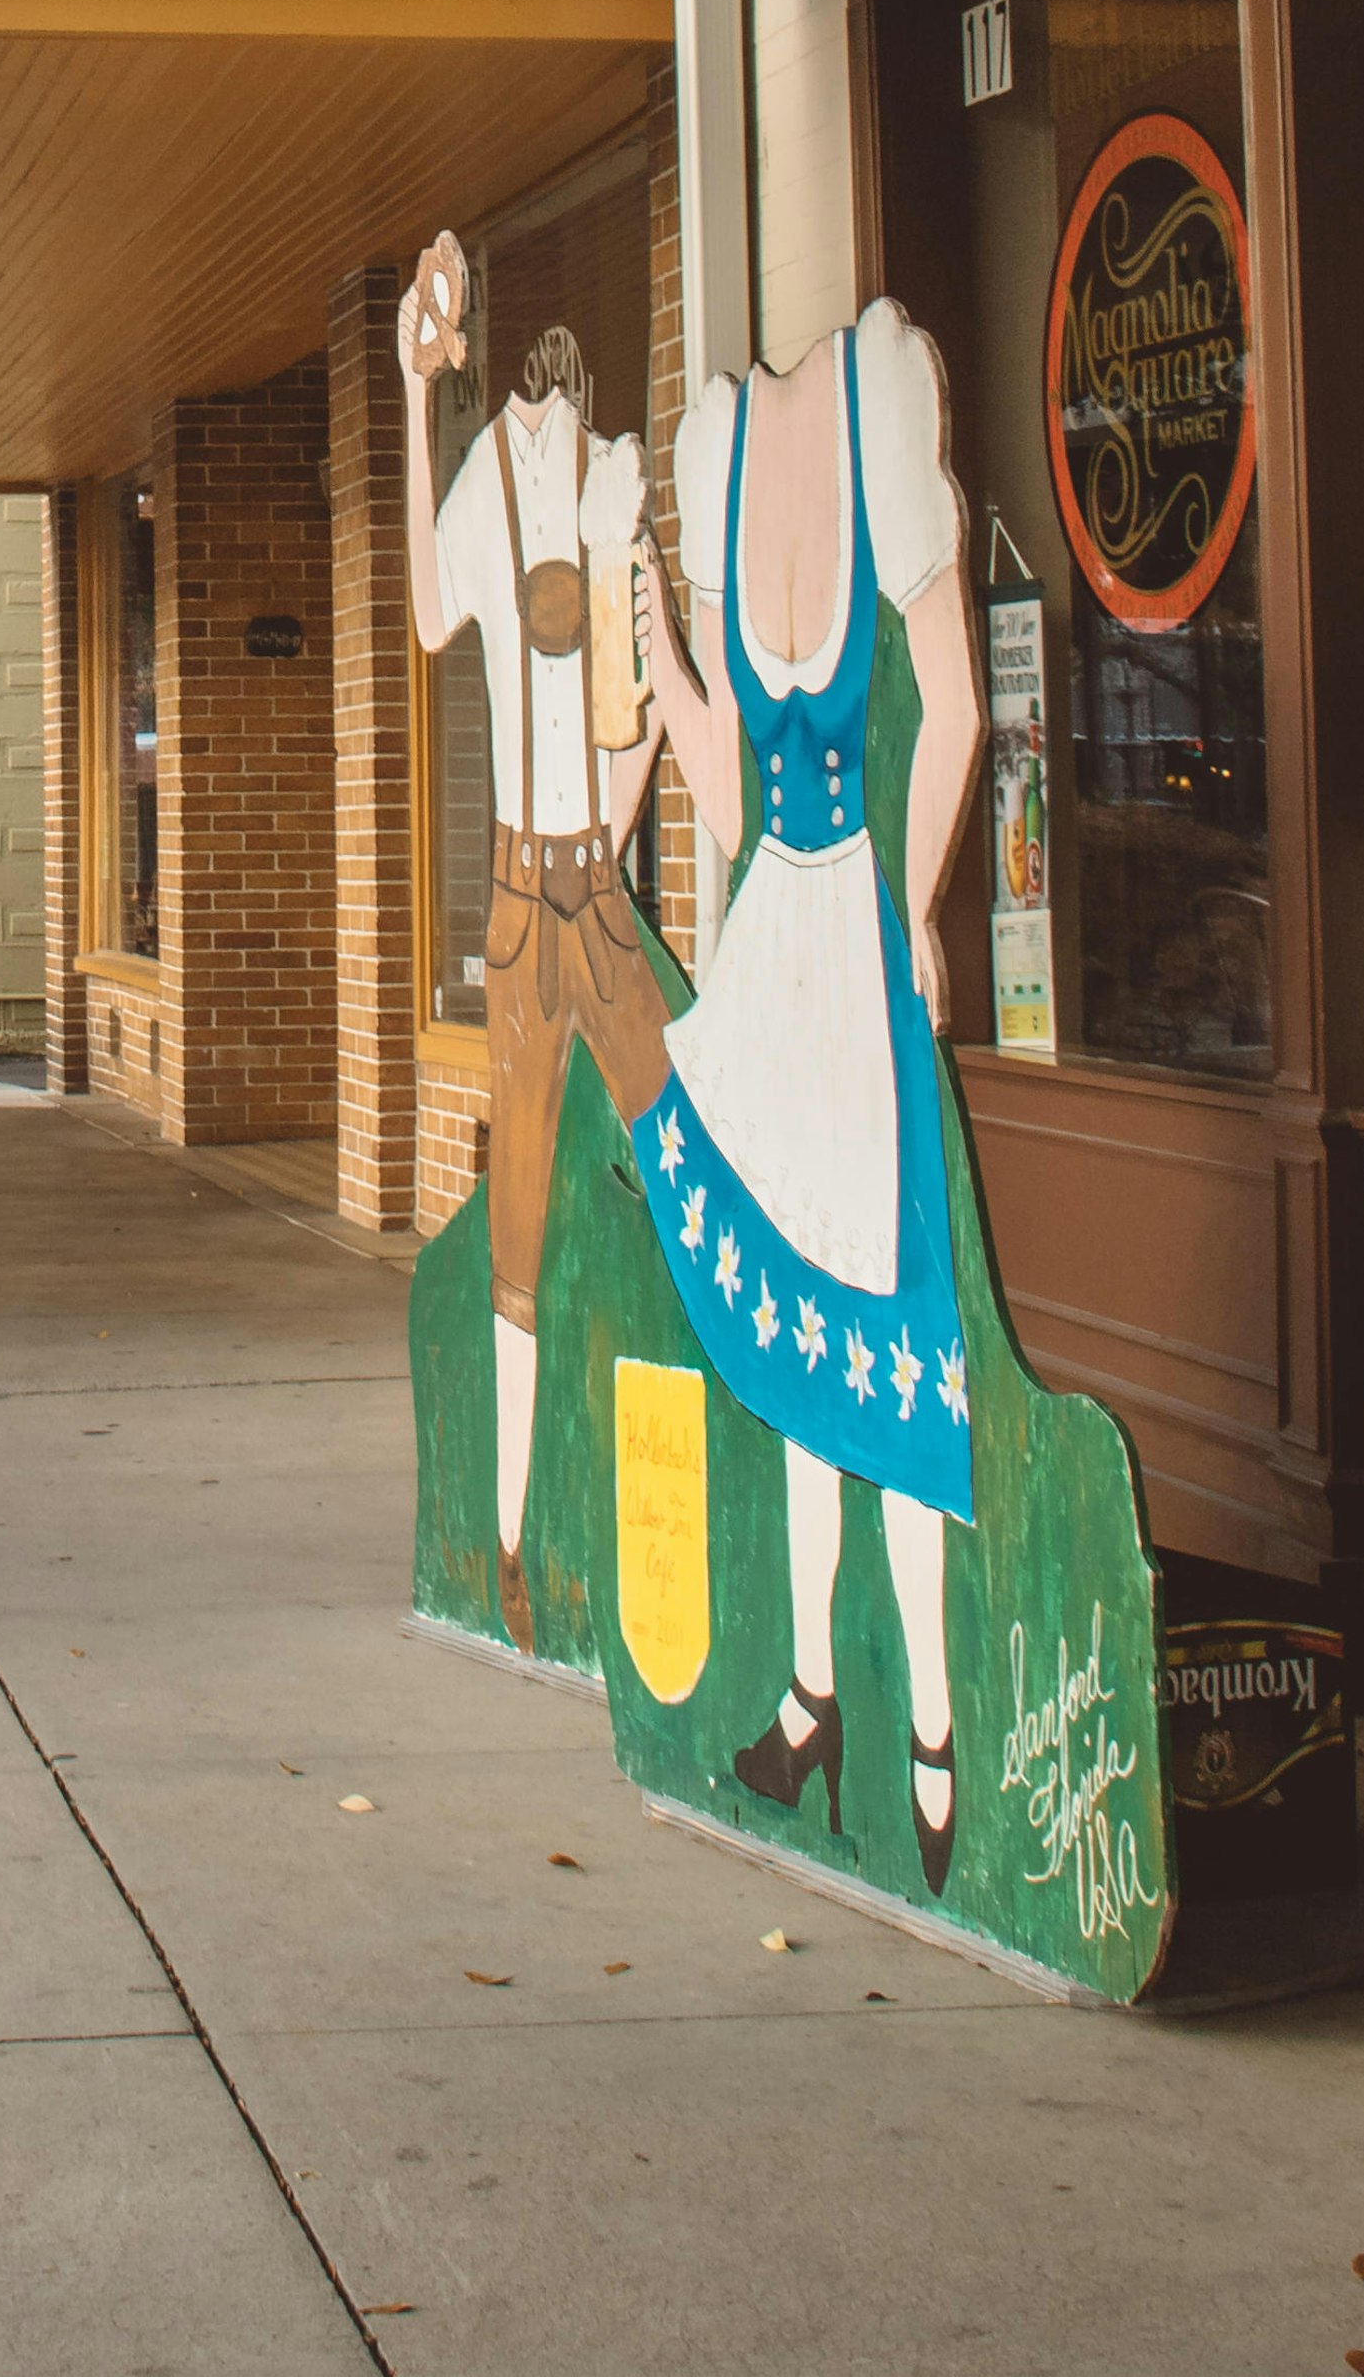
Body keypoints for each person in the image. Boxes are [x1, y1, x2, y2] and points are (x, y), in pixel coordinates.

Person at [628, 300, 982, 1890]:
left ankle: (934, 1734)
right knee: (786, 1306)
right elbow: (717, 793)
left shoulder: (881, 403)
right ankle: (812, 1701)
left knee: (892, 1326)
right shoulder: (715, 442)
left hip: (855, 942)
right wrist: (658, 658)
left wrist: (916, 904)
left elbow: (961, 707)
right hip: (771, 931)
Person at [397, 230, 673, 1657]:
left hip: (590, 890)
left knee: (676, 1150)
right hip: (518, 898)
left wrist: (618, 843)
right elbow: (436, 616)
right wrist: (406, 396)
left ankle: (711, 1473)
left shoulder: (612, 475)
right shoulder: (481, 478)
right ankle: (509, 1545)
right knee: (518, 1223)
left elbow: (641, 687)